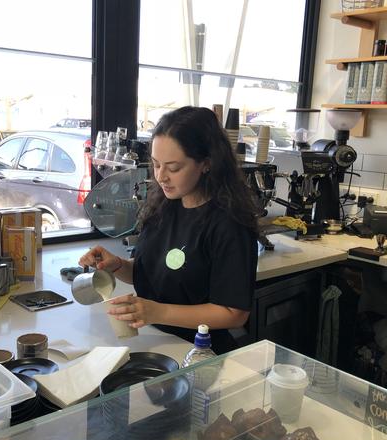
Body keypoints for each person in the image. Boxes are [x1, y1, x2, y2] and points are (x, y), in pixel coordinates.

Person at [80, 106, 259, 354]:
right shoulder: (163, 206)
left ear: (206, 164)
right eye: (155, 164)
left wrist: (158, 312)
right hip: (156, 341)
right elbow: (158, 274)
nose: (161, 176)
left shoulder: (229, 224)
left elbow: (234, 313)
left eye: (173, 168)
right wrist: (118, 265)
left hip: (201, 352)